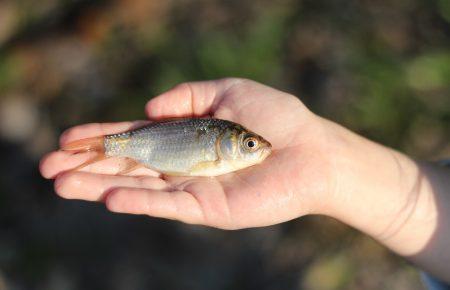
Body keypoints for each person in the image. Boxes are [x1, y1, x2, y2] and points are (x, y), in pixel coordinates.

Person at [39, 78, 450, 287]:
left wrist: (329, 168)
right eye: (250, 144)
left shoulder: (221, 146)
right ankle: (99, 148)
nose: (257, 148)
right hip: (149, 147)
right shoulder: (213, 144)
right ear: (230, 140)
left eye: (251, 143)